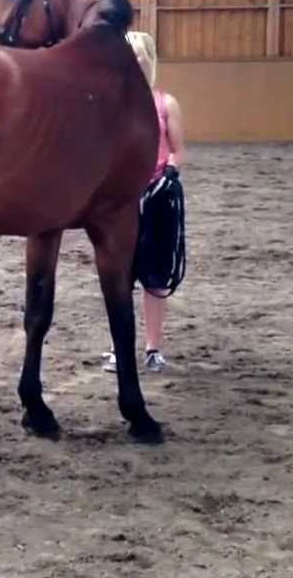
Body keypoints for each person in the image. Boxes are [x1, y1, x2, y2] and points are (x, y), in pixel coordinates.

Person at [105, 30, 186, 374]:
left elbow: (179, 149)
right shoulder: (110, 106)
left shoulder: (166, 104)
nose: (132, 61)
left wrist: (170, 172)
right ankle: (118, 348)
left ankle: (153, 348)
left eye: (138, 55)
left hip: (156, 197)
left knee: (155, 277)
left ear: (148, 60)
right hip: (122, 200)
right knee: (118, 277)